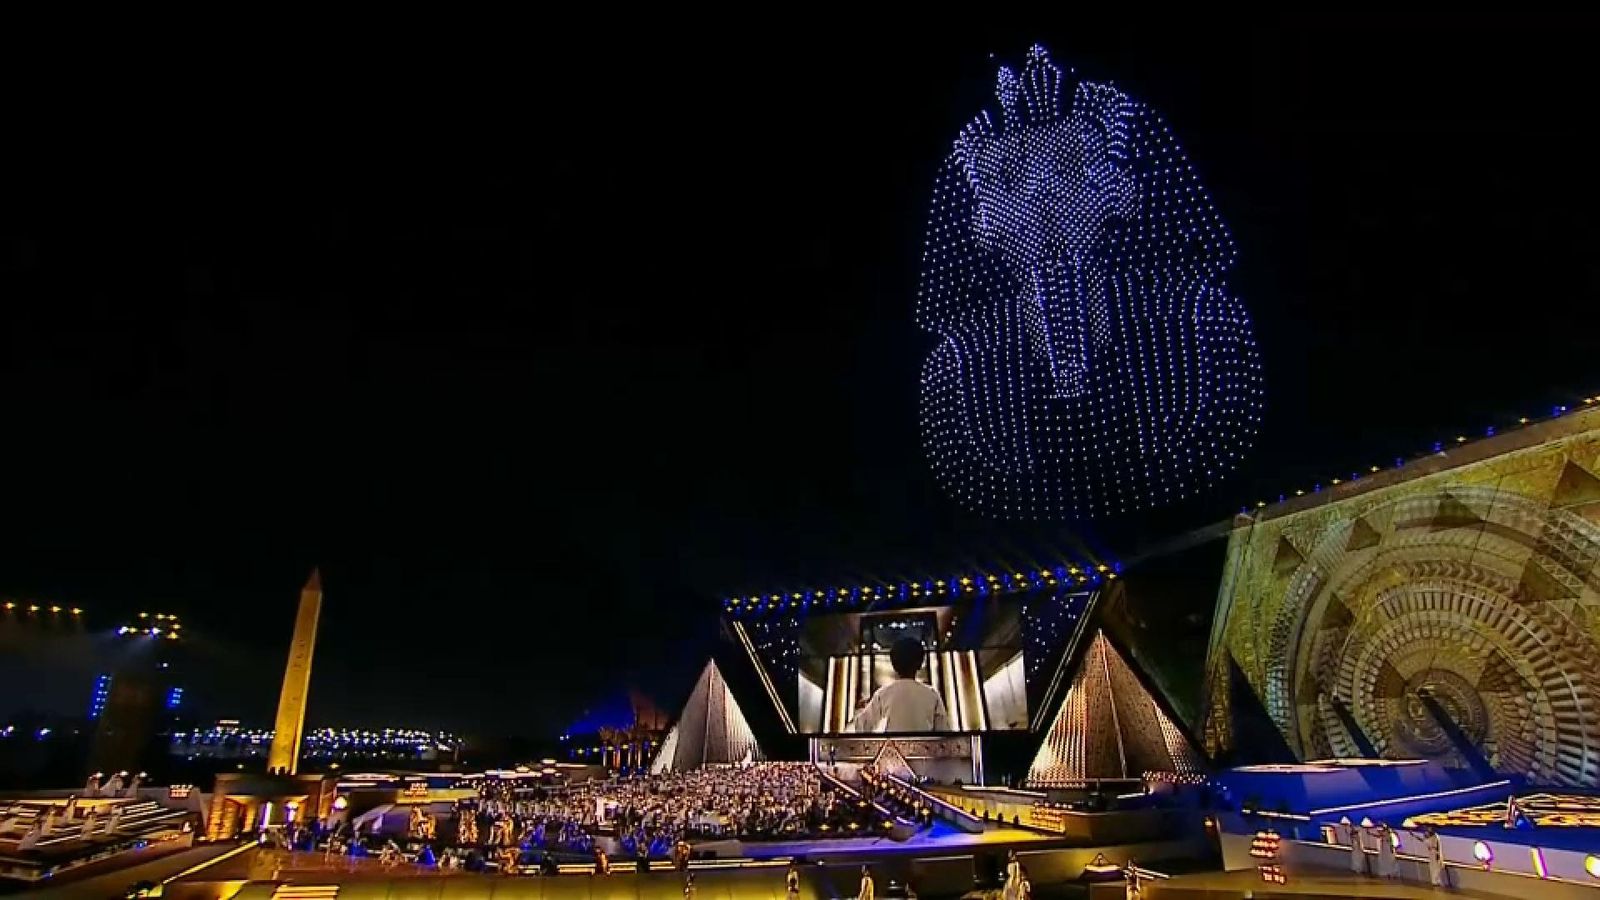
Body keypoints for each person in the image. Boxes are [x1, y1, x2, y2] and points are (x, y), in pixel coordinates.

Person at [849, 638, 948, 733]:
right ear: (920, 663)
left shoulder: (883, 694)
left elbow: (861, 727)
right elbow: (944, 732)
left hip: (892, 745)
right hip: (924, 745)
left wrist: (859, 710)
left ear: (893, 664)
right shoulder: (932, 695)